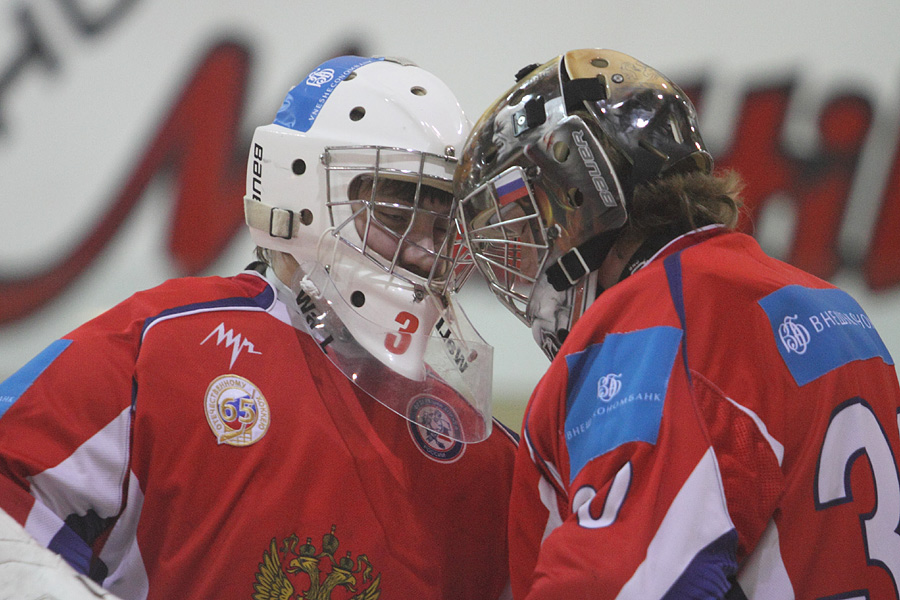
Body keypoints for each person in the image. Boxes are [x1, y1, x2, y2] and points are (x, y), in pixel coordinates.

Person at [0, 55, 517, 600]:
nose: (425, 250)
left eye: (444, 225)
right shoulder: (163, 347)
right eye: (395, 213)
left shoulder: (487, 459)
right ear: (299, 189)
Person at [453, 48, 900, 599]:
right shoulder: (835, 308)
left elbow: (621, 584)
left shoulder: (660, 324)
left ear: (581, 193)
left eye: (527, 221)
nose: (522, 255)